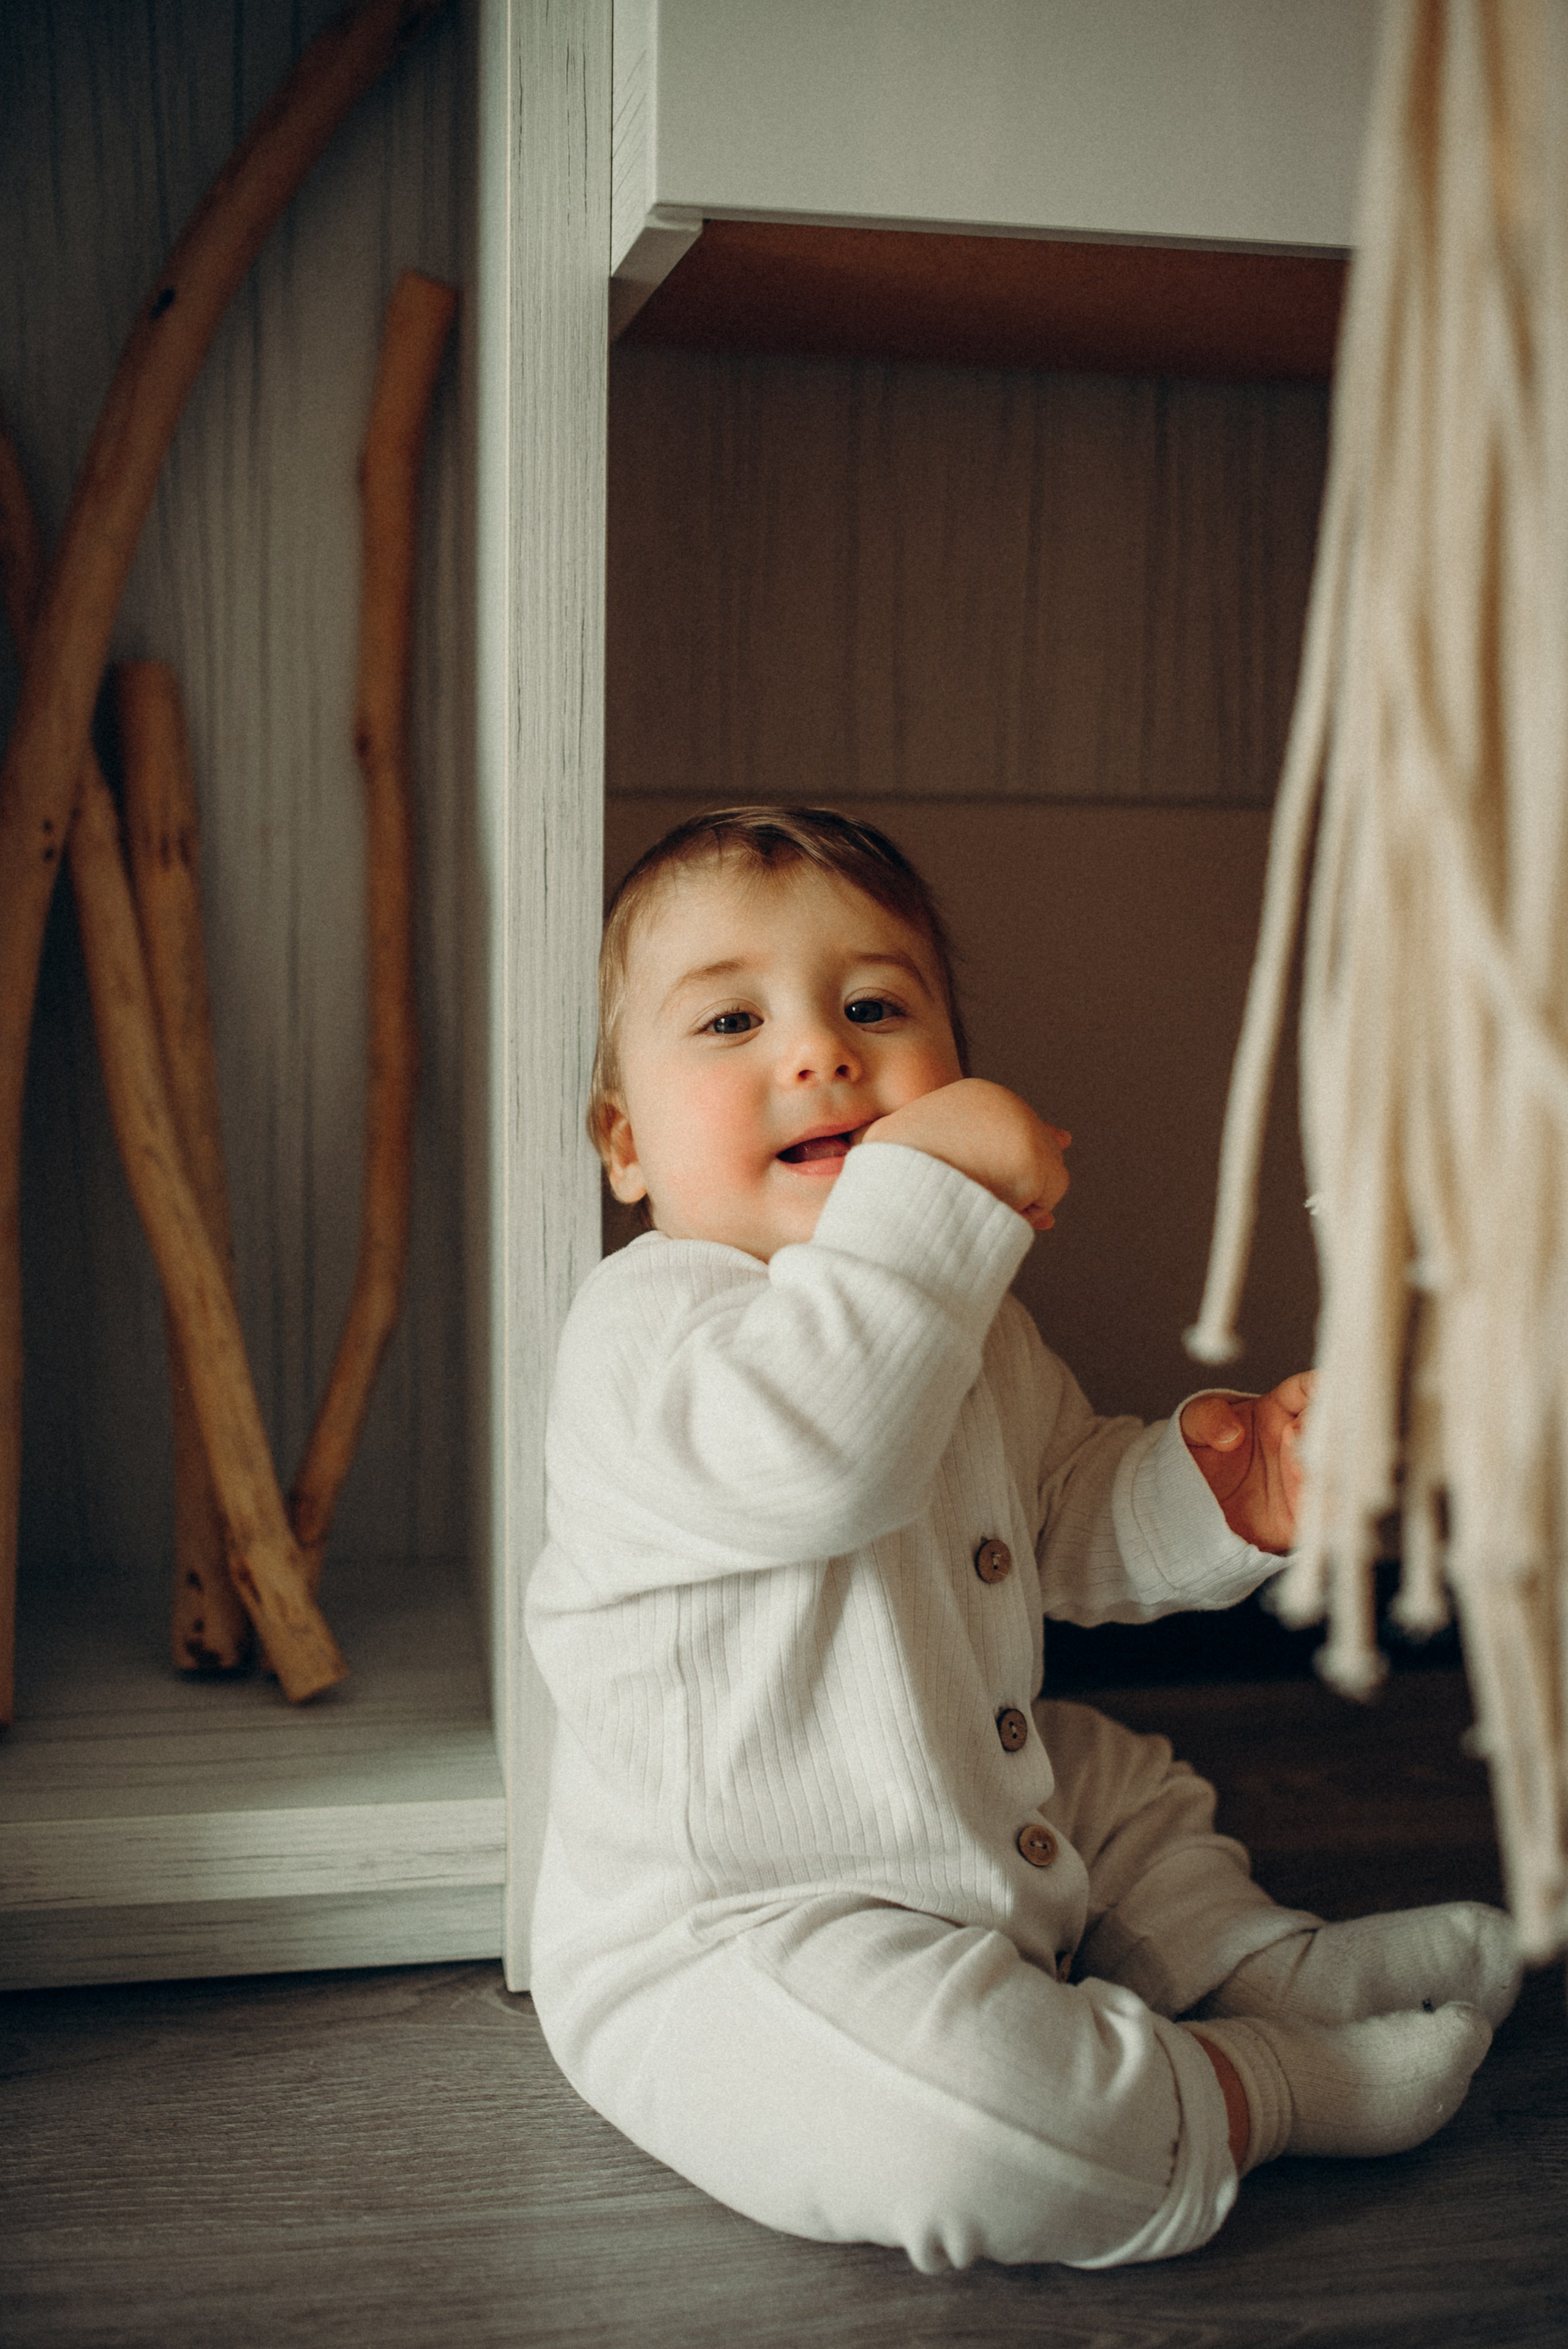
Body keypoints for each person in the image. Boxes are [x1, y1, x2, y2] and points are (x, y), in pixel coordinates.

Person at [524, 805, 1520, 2272]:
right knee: (969, 2123)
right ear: (626, 1143)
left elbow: (1055, 1524)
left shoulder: (971, 1325)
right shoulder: (646, 1325)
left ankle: (1254, 1961)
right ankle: (1258, 2087)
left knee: (1113, 1779)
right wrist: (925, 1194)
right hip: (739, 1938)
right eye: (731, 1019)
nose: (817, 1051)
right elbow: (821, 1458)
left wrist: (1221, 1486)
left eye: (872, 1005)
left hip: (965, 1813)